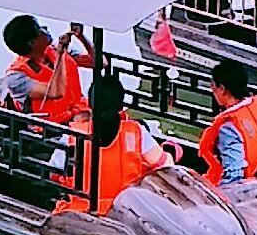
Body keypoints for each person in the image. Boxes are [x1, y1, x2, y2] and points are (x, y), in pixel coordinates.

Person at [54, 76, 172, 215]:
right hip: (126, 214)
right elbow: (165, 165)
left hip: (80, 212)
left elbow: (54, 173)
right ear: (121, 105)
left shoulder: (72, 134)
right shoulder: (135, 131)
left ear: (90, 104)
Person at [197, 59, 257, 187]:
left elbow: (234, 176)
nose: (212, 89)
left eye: (213, 85)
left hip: (248, 192)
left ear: (222, 89)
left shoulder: (228, 127)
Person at [0, 14, 93, 127]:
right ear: (32, 42)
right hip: (51, 131)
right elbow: (55, 92)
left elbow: (100, 63)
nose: (46, 28)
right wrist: (60, 54)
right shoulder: (15, 76)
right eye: (40, 29)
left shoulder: (54, 49)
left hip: (82, 115)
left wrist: (81, 37)